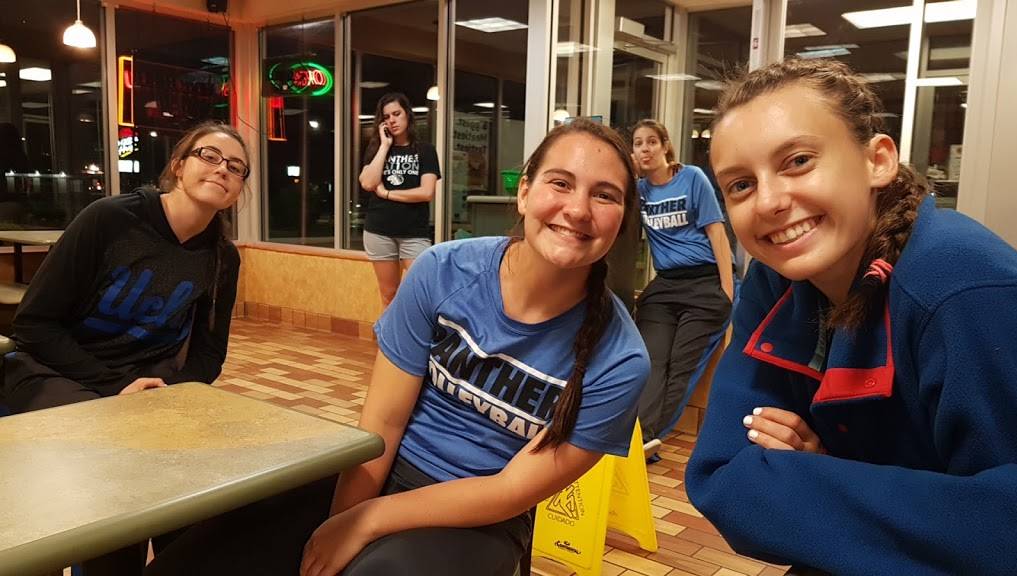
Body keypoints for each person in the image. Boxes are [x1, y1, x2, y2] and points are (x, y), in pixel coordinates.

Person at [143, 118, 650, 576]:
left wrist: (366, 522)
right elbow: (383, 423)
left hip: (480, 518)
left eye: (605, 195)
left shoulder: (620, 360)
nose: (577, 209)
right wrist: (341, 522)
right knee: (198, 557)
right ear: (524, 193)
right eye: (560, 183)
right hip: (381, 469)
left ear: (623, 220)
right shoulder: (442, 272)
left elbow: (510, 490)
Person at [685, 58, 1017, 575]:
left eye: (798, 161)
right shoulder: (775, 278)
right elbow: (722, 475)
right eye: (740, 185)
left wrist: (828, 470)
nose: (769, 202)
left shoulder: (961, 284)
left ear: (877, 160)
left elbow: (1008, 527)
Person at [1, 121, 246, 575]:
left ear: (238, 190)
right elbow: (33, 325)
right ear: (178, 166)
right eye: (209, 156)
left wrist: (172, 394)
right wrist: (117, 387)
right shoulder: (110, 220)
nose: (222, 169)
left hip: (144, 387)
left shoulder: (221, 257)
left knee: (197, 489)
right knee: (118, 473)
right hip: (51, 371)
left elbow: (209, 355)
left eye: (235, 167)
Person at [630, 119, 733, 455]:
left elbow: (717, 233)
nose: (645, 149)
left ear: (665, 145)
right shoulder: (640, 191)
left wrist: (727, 291)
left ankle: (649, 438)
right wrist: (629, 172)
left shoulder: (692, 178)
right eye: (638, 144)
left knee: (681, 366)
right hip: (665, 285)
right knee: (651, 361)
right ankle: (639, 437)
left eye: (651, 142)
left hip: (705, 282)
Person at [359, 92, 441, 307]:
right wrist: (384, 146)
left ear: (407, 115)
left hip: (414, 233)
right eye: (386, 117)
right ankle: (390, 331)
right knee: (389, 294)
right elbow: (367, 183)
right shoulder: (376, 149)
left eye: (397, 114)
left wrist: (387, 193)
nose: (392, 120)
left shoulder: (425, 150)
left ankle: (416, 330)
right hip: (379, 231)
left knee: (421, 292)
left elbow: (426, 192)